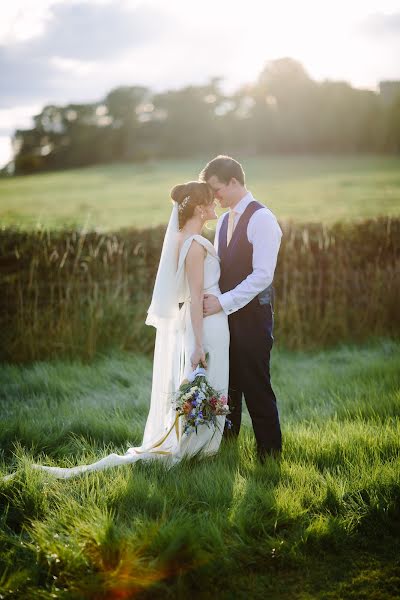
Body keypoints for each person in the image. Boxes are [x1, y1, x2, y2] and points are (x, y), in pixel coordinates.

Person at [4, 182, 229, 480]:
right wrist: (199, 344)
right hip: (207, 326)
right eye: (211, 201)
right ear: (200, 208)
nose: (215, 204)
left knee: (203, 382)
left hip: (200, 323)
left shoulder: (182, 239)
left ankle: (197, 446)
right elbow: (197, 296)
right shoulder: (196, 246)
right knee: (207, 377)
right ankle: (195, 450)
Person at [199, 155, 282, 462]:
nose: (214, 197)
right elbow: (222, 269)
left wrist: (222, 302)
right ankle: (226, 449)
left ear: (234, 182)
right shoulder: (222, 221)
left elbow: (262, 276)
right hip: (224, 321)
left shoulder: (262, 219)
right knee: (228, 385)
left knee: (256, 387)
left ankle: (269, 456)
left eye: (216, 189)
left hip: (252, 320)